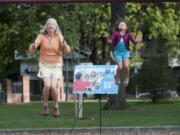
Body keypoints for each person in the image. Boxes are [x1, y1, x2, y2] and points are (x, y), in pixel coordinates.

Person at [29, 18, 71, 117]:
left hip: (56, 65)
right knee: (47, 85)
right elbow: (32, 49)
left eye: (53, 24)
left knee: (53, 86)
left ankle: (56, 106)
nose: (51, 26)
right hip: (44, 64)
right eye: (49, 24)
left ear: (56, 27)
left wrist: (65, 46)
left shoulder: (59, 36)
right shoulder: (41, 36)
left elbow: (67, 51)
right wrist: (33, 46)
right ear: (46, 26)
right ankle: (45, 105)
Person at [107, 20, 141, 86]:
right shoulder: (116, 33)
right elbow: (111, 38)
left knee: (126, 66)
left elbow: (133, 41)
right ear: (118, 27)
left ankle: (127, 77)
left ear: (126, 27)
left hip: (125, 52)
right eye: (120, 24)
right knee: (120, 67)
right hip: (117, 52)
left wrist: (137, 41)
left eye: (123, 24)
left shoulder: (128, 34)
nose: (121, 25)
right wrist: (109, 40)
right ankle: (117, 77)